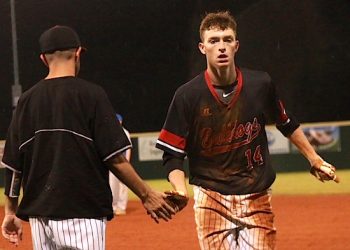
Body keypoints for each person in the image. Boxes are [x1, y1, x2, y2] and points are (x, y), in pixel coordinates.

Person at [155, 11, 338, 249]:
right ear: (202, 48)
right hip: (211, 198)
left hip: (256, 196)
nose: (221, 46)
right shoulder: (187, 96)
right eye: (213, 40)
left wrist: (314, 158)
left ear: (236, 45)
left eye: (227, 39)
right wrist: (180, 189)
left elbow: (286, 123)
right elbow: (172, 153)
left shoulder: (260, 84)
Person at [1, 25, 174, 249]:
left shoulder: (26, 101)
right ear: (78, 53)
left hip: (40, 217)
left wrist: (11, 212)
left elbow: (14, 166)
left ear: (43, 58)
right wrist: (146, 194)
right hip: (84, 213)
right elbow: (115, 158)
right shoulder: (92, 95)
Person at [109, 114, 131, 215]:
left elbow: (128, 149)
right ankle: (113, 206)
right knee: (112, 185)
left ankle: (121, 207)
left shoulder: (125, 132)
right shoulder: (110, 132)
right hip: (113, 162)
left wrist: (127, 162)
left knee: (123, 185)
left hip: (123, 162)